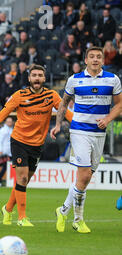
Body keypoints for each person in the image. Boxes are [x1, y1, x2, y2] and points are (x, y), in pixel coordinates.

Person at [0, 64, 73, 227]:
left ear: (44, 78)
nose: (37, 78)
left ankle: (7, 209)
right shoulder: (19, 95)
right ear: (29, 78)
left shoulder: (51, 96)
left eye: (40, 75)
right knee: (22, 178)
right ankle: (22, 217)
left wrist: (83, 125)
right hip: (19, 141)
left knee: (23, 182)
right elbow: (2, 114)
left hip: (37, 144)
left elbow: (65, 112)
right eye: (34, 75)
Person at [51, 47, 121, 233]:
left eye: (99, 57)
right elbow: (64, 103)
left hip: (99, 133)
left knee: (86, 178)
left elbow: (120, 104)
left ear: (103, 61)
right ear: (86, 60)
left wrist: (107, 119)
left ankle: (63, 209)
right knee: (83, 176)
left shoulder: (112, 79)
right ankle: (78, 220)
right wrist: (58, 125)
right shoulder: (74, 80)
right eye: (92, 56)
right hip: (79, 131)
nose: (95, 59)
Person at [0, 117, 14, 186]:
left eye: (10, 121)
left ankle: (0, 179)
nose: (9, 123)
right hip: (4, 152)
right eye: (8, 121)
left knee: (6, 167)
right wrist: (0, 150)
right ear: (5, 122)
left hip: (10, 152)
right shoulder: (2, 130)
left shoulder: (12, 130)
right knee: (4, 166)